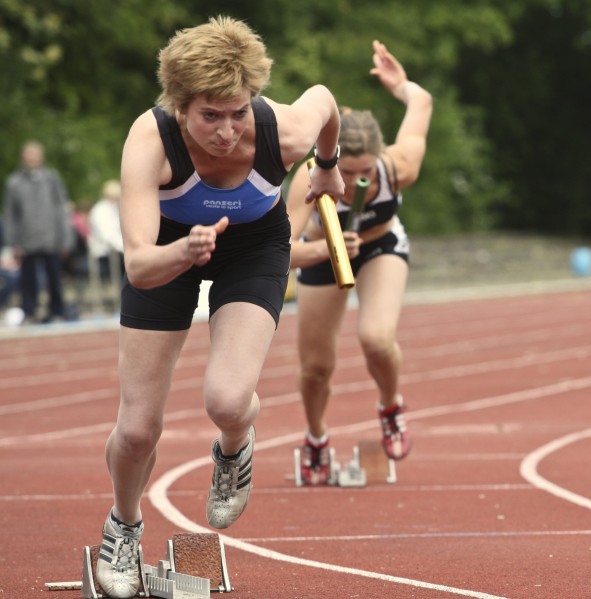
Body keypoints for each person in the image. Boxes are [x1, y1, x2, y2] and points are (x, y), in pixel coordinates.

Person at [95, 16, 343, 598]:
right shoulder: (149, 140)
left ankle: (235, 448)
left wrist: (326, 171)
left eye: (238, 112)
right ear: (180, 107)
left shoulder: (282, 130)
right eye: (210, 116)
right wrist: (185, 248)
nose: (228, 132)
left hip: (253, 246)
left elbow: (328, 102)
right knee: (137, 430)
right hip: (168, 249)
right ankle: (123, 525)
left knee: (229, 401)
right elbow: (137, 264)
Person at [285, 40, 432, 485]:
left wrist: (400, 84)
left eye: (363, 170)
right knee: (316, 368)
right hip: (320, 254)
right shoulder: (308, 179)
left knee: (375, 337)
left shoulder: (397, 166)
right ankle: (316, 437)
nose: (354, 182)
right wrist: (324, 250)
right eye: (346, 172)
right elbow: (280, 249)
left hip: (380, 246)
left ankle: (390, 406)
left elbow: (422, 103)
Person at [2, 140, 75, 323]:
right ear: (23, 158)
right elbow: (11, 216)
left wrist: (65, 238)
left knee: (54, 279)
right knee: (28, 281)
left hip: (51, 238)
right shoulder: (14, 182)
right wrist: (13, 242)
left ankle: (57, 311)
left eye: (35, 155)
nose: (32, 159)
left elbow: (61, 209)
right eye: (29, 155)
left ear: (41, 157)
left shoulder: (52, 179)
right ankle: (30, 312)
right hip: (27, 241)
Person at [88, 180, 125, 307]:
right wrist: (124, 247)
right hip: (104, 254)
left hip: (115, 251)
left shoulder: (113, 209)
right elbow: (108, 236)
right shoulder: (100, 210)